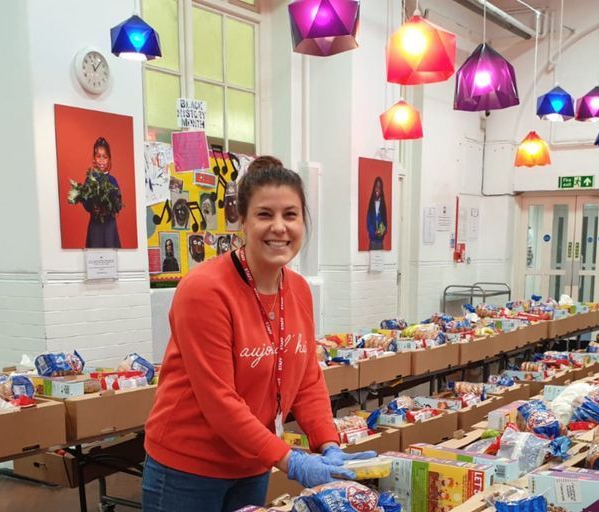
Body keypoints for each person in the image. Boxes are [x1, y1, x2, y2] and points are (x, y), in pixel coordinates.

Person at [143, 156, 373, 511]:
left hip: (253, 460)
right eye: (265, 215)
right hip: (188, 466)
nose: (279, 227)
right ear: (243, 221)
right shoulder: (205, 290)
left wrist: (328, 443)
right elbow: (219, 400)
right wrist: (290, 460)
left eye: (291, 215)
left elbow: (307, 379)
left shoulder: (297, 290)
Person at [83, 137, 123, 248]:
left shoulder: (113, 181)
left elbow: (119, 203)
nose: (101, 160)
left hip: (110, 226)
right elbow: (85, 202)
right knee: (94, 257)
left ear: (109, 159)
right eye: (98, 156)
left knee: (111, 257)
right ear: (94, 158)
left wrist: (112, 206)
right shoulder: (90, 179)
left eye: (105, 157)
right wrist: (93, 206)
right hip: (95, 227)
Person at [365, 176, 387, 250]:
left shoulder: (383, 205)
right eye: (376, 187)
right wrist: (373, 232)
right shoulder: (371, 204)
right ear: (374, 188)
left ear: (381, 189)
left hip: (380, 241)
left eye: (379, 187)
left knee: (380, 261)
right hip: (373, 241)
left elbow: (385, 224)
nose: (377, 189)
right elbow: (368, 222)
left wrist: (381, 232)